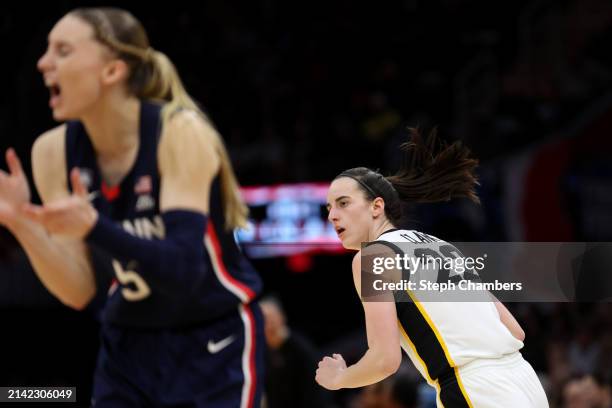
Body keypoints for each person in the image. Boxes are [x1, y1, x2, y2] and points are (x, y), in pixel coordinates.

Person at [0, 7, 264, 407]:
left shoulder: (179, 133)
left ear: (111, 71)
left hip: (211, 341)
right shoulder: (52, 152)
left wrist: (95, 228)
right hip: (126, 346)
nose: (43, 62)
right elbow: (81, 290)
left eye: (63, 50)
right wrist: (20, 223)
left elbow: (183, 270)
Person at [316, 128, 549, 407]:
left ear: (377, 207)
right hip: (524, 380)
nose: (332, 215)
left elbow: (385, 360)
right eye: (329, 207)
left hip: (474, 389)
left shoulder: (373, 257)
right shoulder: (440, 246)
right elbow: (514, 331)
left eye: (343, 203)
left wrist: (340, 378)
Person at [260, 297, 336, 408]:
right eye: (263, 320)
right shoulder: (261, 351)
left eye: (270, 319)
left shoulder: (300, 348)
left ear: (281, 317)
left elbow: (316, 390)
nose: (268, 324)